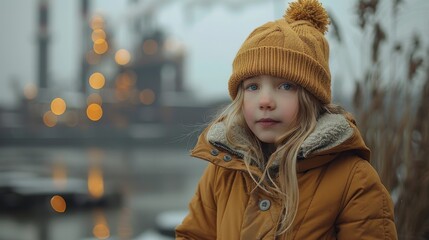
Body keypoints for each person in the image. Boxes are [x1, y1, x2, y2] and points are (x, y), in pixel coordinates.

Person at [175, 0, 398, 239]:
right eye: (252, 86)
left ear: (312, 97)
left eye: (285, 85)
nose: (265, 100)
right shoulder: (223, 170)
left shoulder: (354, 179)